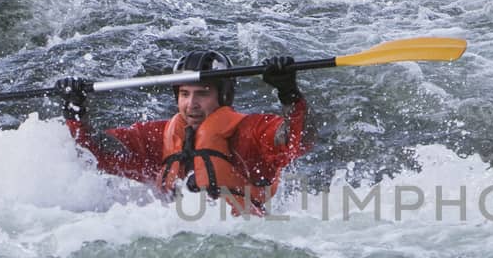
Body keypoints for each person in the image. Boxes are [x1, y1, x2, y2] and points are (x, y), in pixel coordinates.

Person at [55, 51, 308, 215]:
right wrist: (75, 113)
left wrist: (289, 94)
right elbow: (95, 152)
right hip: (176, 239)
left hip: (244, 238)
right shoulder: (159, 135)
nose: (191, 104)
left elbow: (297, 140)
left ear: (224, 96)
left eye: (202, 93)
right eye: (184, 94)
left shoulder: (250, 132)